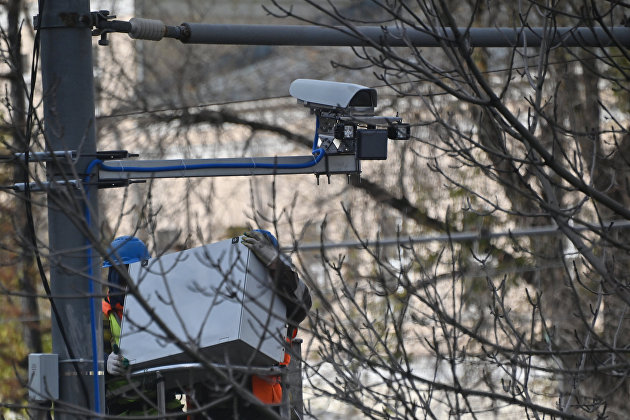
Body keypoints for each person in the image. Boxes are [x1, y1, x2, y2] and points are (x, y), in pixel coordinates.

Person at [102, 235, 184, 416]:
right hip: (123, 411)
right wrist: (104, 363)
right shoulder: (101, 316)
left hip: (165, 408)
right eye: (122, 280)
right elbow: (82, 363)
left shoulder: (163, 308)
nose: (127, 287)